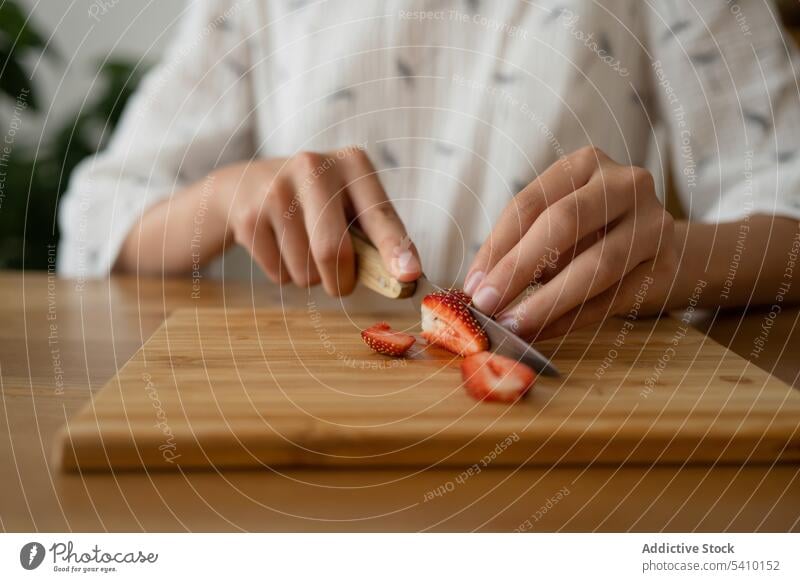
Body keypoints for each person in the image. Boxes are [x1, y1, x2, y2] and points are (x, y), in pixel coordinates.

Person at [58, 1, 800, 340]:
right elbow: (99, 220)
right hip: (299, 443)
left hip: (580, 436)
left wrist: (679, 254)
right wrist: (227, 198)